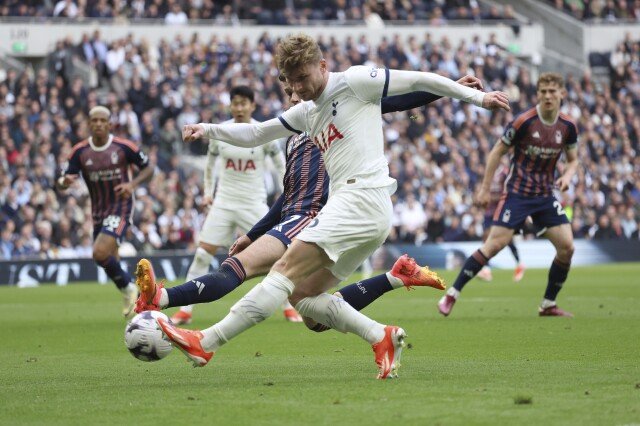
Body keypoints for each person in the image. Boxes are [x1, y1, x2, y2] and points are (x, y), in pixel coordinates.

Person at [139, 32, 509, 379]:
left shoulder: (355, 81)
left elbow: (416, 82)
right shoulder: (305, 113)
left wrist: (478, 98)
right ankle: (381, 335)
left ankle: (206, 342)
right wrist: (208, 128)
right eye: (290, 81)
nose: (298, 88)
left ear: (323, 65)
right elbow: (255, 133)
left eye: (302, 77)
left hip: (360, 197)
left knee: (283, 270)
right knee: (304, 297)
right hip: (363, 210)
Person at [136, 73, 481, 329]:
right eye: (288, 91)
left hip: (316, 216)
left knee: (237, 269)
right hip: (299, 217)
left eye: (297, 88)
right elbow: (288, 193)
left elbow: (399, 100)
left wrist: (453, 89)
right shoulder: (294, 132)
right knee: (313, 315)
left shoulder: (336, 113)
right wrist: (254, 233)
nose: (293, 94)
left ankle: (165, 301)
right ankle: (394, 278)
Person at [438, 72, 578, 318]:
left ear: (561, 94)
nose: (547, 96)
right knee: (495, 245)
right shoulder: (524, 121)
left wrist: (567, 176)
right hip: (517, 194)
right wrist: (484, 188)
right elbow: (496, 152)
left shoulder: (567, 127)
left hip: (545, 196)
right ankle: (452, 294)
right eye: (543, 91)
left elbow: (574, 160)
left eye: (552, 91)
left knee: (567, 248)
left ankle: (547, 304)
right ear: (537, 94)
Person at [171, 86, 293, 325]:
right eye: (235, 103)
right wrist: (208, 193)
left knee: (277, 254)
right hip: (224, 203)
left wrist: (289, 190)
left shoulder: (262, 132)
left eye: (243, 103)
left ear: (252, 106)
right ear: (230, 105)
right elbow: (210, 165)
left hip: (253, 204)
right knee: (202, 254)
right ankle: (185, 310)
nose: (239, 108)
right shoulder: (222, 131)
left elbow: (281, 165)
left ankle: (288, 305)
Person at [57, 106, 153, 317]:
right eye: (95, 121)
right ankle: (141, 302)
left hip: (121, 207)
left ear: (110, 124)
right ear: (89, 124)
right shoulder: (80, 152)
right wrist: (64, 182)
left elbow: (149, 168)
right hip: (98, 212)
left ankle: (130, 288)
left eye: (103, 121)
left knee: (99, 252)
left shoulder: (123, 147)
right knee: (110, 257)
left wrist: (132, 185)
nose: (99, 124)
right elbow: (62, 181)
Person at [476, 157, 526, 282]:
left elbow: (508, 191)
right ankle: (487, 270)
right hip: (489, 211)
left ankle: (519, 264)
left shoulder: (504, 172)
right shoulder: (488, 173)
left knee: (507, 240)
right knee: (486, 238)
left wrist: (493, 198)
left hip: (501, 209)